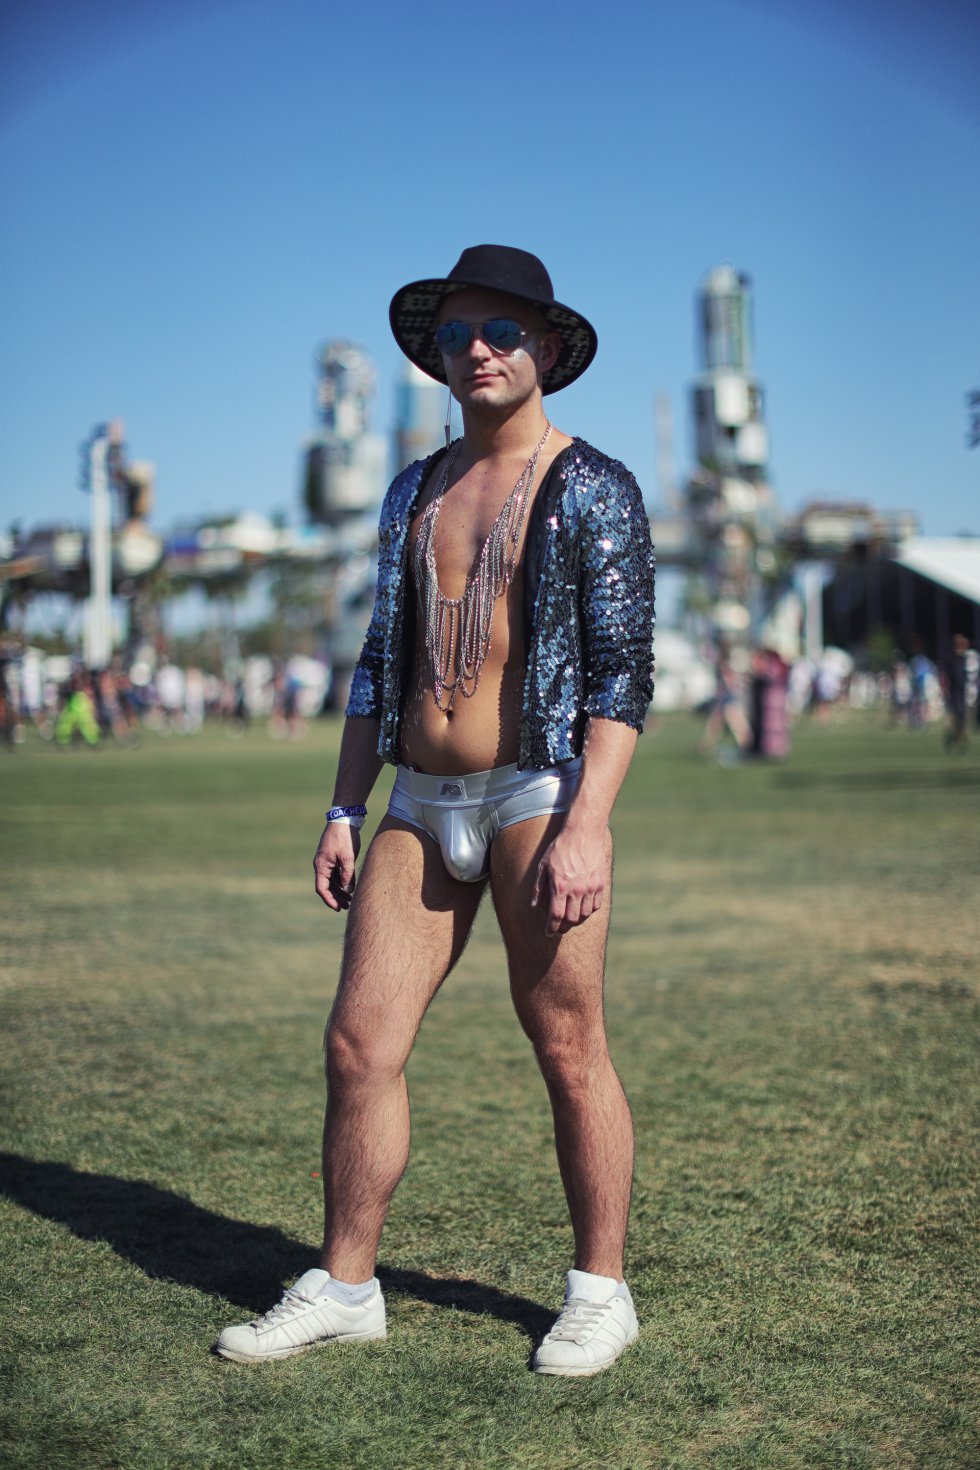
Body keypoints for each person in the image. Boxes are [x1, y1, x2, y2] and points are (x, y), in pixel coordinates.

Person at [216, 245, 655, 1377]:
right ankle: (345, 1285)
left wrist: (589, 823)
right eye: (458, 334)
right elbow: (380, 659)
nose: (477, 351)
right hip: (417, 798)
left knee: (568, 1044)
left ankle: (600, 1292)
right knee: (358, 1043)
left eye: (502, 332)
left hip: (535, 792)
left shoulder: (591, 485)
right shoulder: (414, 489)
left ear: (546, 348)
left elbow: (620, 676)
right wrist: (342, 808)